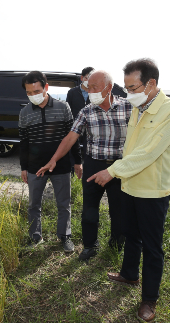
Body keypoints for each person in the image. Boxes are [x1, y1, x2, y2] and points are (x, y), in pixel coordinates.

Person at [87, 59, 170, 323]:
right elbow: (131, 147)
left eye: (133, 87)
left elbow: (149, 152)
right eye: (127, 87)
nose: (128, 93)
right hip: (130, 184)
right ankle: (129, 273)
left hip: (152, 189)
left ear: (151, 83)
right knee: (131, 234)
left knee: (153, 247)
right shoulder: (137, 107)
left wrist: (112, 171)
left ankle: (149, 300)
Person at [37, 70, 133, 261]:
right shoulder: (86, 111)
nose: (91, 91)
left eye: (95, 88)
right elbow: (70, 138)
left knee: (119, 209)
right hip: (94, 165)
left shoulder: (128, 108)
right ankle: (90, 245)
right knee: (90, 209)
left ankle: (116, 243)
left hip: (119, 167)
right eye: (89, 88)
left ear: (109, 88)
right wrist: (54, 159)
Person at [19, 71, 75, 253]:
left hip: (61, 165)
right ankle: (35, 237)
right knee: (34, 204)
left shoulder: (63, 107)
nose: (33, 96)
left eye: (36, 91)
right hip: (35, 167)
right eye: (29, 93)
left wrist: (78, 162)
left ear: (46, 87)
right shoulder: (25, 113)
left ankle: (64, 236)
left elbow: (72, 137)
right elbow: (24, 143)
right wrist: (24, 167)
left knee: (64, 204)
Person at [66, 66, 94, 178]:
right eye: (87, 78)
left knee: (88, 151)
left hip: (90, 128)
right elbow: (68, 109)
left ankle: (87, 174)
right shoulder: (72, 92)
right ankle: (73, 174)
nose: (89, 81)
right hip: (75, 127)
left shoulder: (95, 93)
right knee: (73, 149)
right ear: (82, 78)